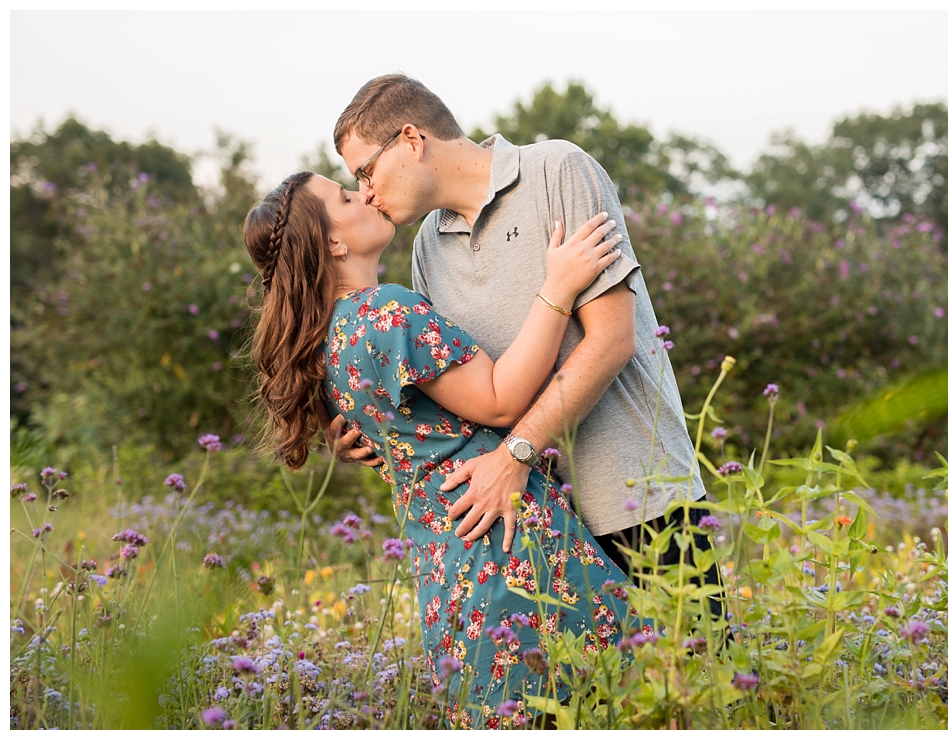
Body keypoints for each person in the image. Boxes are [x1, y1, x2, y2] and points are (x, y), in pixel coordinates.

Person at [243, 171, 650, 729]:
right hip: (505, 544)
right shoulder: (388, 311)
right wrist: (559, 286)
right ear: (333, 242)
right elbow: (501, 401)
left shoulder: (331, 336)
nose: (363, 193)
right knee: (620, 699)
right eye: (344, 195)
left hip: (446, 563)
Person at [328, 74, 722, 603]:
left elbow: (612, 340)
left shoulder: (557, 169)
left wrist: (516, 455)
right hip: (535, 526)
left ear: (412, 141)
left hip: (639, 501)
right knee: (586, 690)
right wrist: (374, 432)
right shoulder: (426, 246)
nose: (365, 192)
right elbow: (461, 394)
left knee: (701, 677)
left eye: (365, 171)